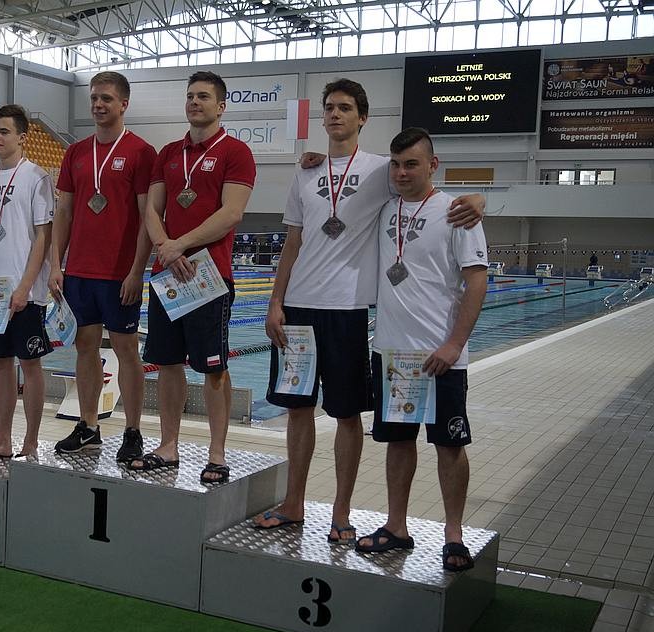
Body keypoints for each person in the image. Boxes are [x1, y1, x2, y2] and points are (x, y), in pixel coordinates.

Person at [255, 79, 485, 539]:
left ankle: (341, 513)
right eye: (329, 108)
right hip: (298, 309)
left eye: (345, 108)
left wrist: (479, 200)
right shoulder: (306, 173)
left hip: (347, 309)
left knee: (346, 414)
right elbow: (293, 241)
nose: (335, 114)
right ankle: (294, 503)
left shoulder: (382, 169)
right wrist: (275, 301)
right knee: (298, 410)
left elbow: (426, 185)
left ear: (362, 117)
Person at [355, 127, 488, 572]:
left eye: (411, 164)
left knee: (449, 445)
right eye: (395, 164)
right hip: (392, 355)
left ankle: (454, 535)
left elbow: (476, 281)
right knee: (397, 442)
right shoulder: (382, 209)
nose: (401, 172)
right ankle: (397, 526)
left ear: (433, 165)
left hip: (440, 356)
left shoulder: (457, 213)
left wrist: (454, 344)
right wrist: (314, 157)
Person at [139, 71, 255, 483]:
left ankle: (217, 453)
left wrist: (179, 244)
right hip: (167, 277)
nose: (194, 102)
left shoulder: (236, 152)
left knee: (213, 368)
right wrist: (165, 247)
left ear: (221, 106)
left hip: (210, 276)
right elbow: (152, 210)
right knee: (168, 364)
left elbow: (231, 213)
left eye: (203, 96)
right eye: (190, 96)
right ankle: (168, 445)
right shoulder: (169, 152)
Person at [49, 72, 157, 461]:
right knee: (85, 348)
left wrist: (136, 271)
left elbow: (147, 216)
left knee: (127, 350)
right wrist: (56, 263)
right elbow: (63, 212)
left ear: (124, 104)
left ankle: (133, 430)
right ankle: (88, 426)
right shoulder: (76, 152)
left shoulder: (142, 152)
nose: (98, 104)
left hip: (118, 273)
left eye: (106, 98)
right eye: (94, 97)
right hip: (79, 271)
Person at [0, 105, 54, 460]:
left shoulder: (36, 177)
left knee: (30, 365)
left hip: (25, 293)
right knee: (0, 364)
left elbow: (43, 237)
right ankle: (1, 439)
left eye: (4, 131)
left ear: (22, 137)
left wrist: (25, 287)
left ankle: (31, 442)